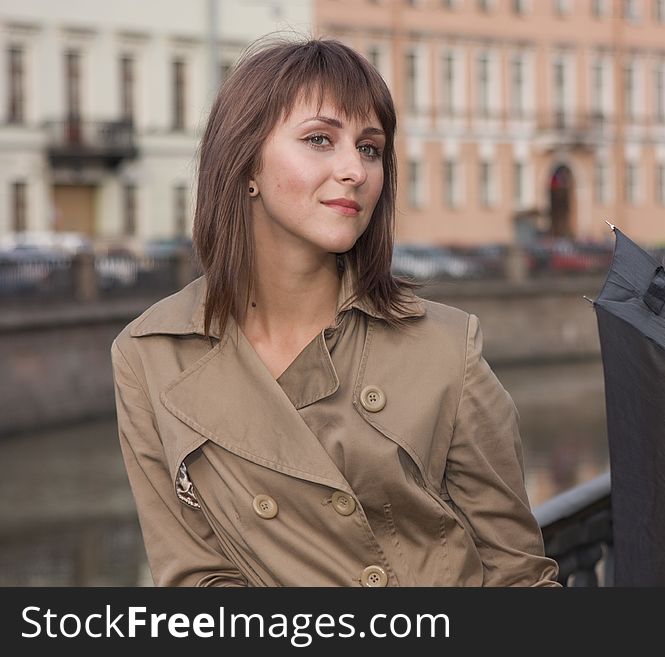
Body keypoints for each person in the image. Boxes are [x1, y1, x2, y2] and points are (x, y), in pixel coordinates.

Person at [110, 38, 559, 587]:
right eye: (320, 139)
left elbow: (518, 572)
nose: (354, 169)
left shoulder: (445, 346)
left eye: (370, 148)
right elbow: (195, 577)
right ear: (245, 160)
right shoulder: (150, 354)